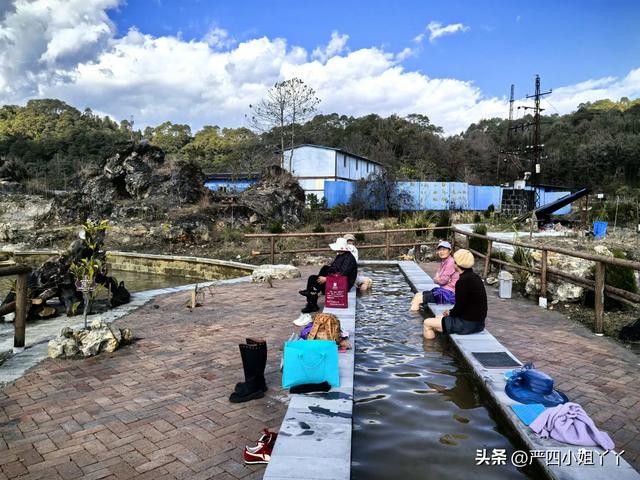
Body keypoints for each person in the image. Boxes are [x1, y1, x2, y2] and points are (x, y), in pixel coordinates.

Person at [423, 249, 487, 339]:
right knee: (438, 317)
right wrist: (450, 312)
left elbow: (459, 307)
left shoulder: (462, 282)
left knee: (427, 323)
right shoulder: (476, 278)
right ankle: (440, 343)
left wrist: (451, 313)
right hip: (479, 323)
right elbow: (466, 305)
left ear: (456, 264)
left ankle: (429, 348)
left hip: (466, 325)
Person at [299, 237, 358, 313]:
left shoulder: (349, 258)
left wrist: (327, 279)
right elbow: (334, 267)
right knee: (322, 270)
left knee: (313, 280)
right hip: (337, 279)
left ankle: (312, 301)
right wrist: (327, 274)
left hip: (344, 284)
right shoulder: (340, 255)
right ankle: (313, 292)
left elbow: (343, 274)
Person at [410, 240, 458, 311]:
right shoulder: (444, 262)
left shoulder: (450, 262)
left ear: (450, 251)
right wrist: (438, 279)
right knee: (418, 295)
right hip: (444, 290)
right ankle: (413, 314)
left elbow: (442, 281)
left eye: (444, 250)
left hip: (450, 294)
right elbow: (436, 279)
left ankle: (412, 319)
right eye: (440, 250)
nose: (441, 252)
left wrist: (439, 279)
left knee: (418, 299)